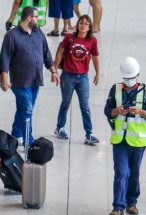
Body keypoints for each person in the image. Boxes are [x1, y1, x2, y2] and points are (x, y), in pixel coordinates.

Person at [104, 57, 146, 215]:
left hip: (138, 141)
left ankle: (131, 203)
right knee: (121, 172)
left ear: (138, 75)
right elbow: (107, 110)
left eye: (131, 78)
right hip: (120, 140)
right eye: (126, 78)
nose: (128, 81)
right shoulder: (115, 89)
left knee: (133, 173)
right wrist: (116, 111)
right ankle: (118, 207)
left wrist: (141, 112)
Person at [0, 6, 60, 146]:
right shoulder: (12, 35)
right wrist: (4, 78)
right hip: (20, 82)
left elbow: (46, 54)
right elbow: (5, 58)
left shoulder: (39, 33)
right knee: (27, 110)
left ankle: (15, 135)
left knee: (23, 109)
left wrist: (53, 71)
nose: (39, 19)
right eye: (37, 17)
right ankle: (29, 141)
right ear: (28, 18)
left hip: (35, 81)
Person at [54, 15, 100, 145]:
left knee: (85, 105)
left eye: (86, 23)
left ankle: (89, 132)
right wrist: (55, 70)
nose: (83, 25)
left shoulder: (92, 41)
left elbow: (95, 57)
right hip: (68, 76)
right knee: (65, 103)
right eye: (81, 23)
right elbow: (60, 53)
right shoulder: (70, 38)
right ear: (77, 25)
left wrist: (97, 74)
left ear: (90, 26)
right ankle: (60, 127)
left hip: (83, 78)